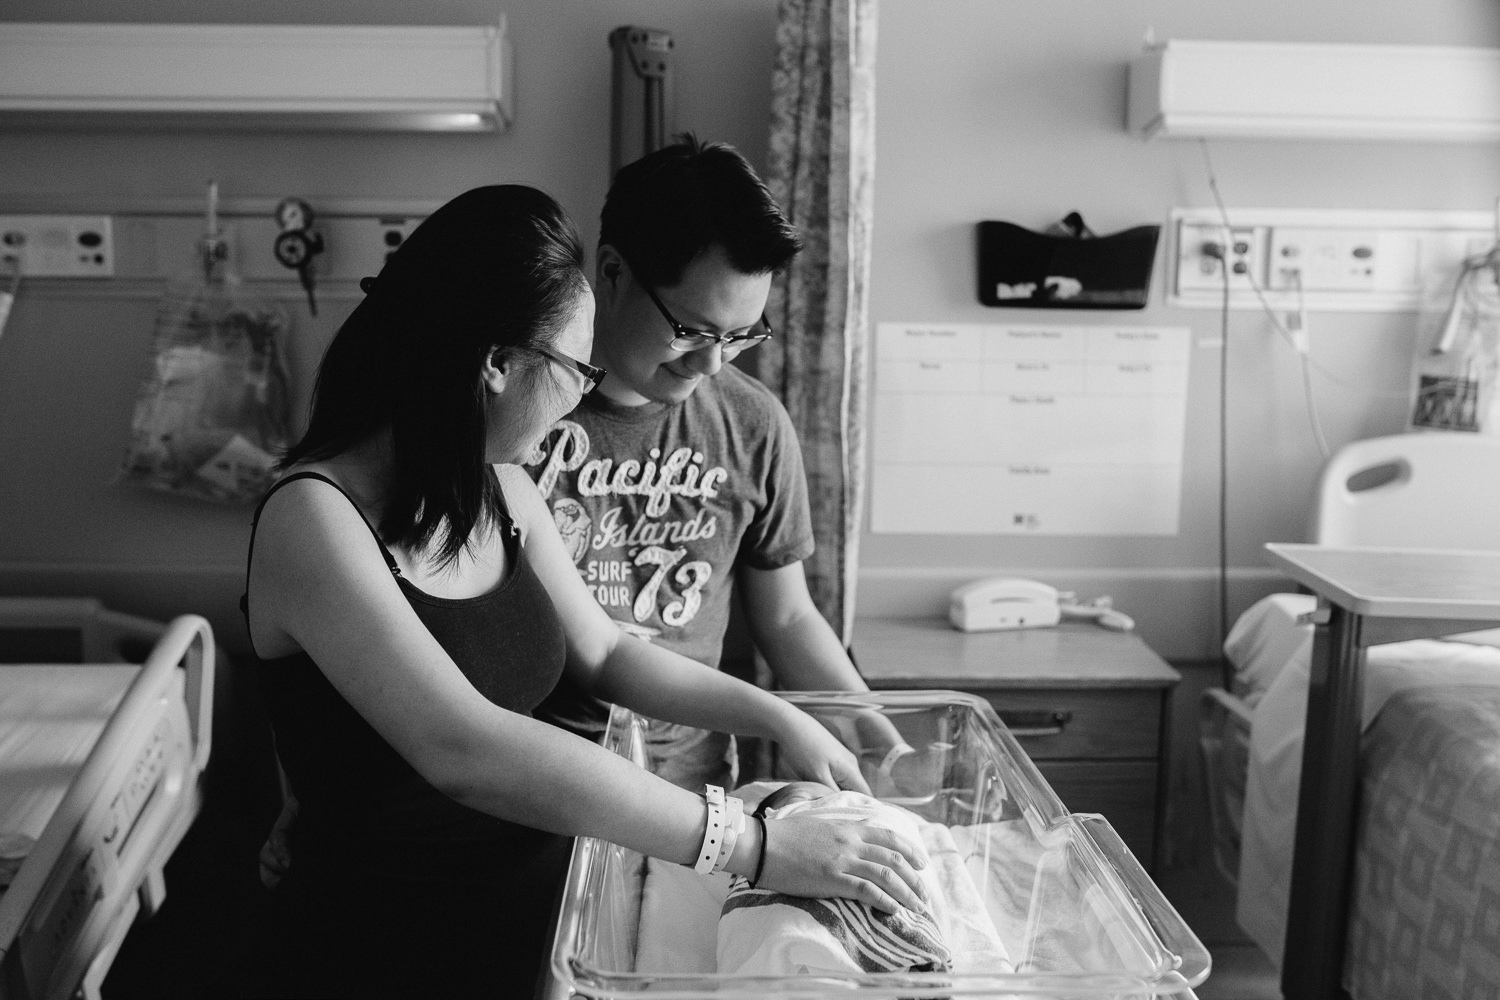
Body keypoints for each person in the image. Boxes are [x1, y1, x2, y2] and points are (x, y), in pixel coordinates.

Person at [239, 184, 929, 996]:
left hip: (543, 916)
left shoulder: (501, 490)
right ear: (494, 364)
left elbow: (604, 653)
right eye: (574, 369)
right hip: (388, 944)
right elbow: (466, 749)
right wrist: (754, 844)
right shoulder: (314, 518)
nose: (580, 396)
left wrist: (779, 713)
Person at [525, 134, 896, 789]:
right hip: (546, 778)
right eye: (693, 330)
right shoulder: (523, 414)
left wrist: (875, 735)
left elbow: (786, 616)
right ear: (611, 273)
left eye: (740, 336)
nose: (712, 363)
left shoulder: (752, 423)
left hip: (694, 785)